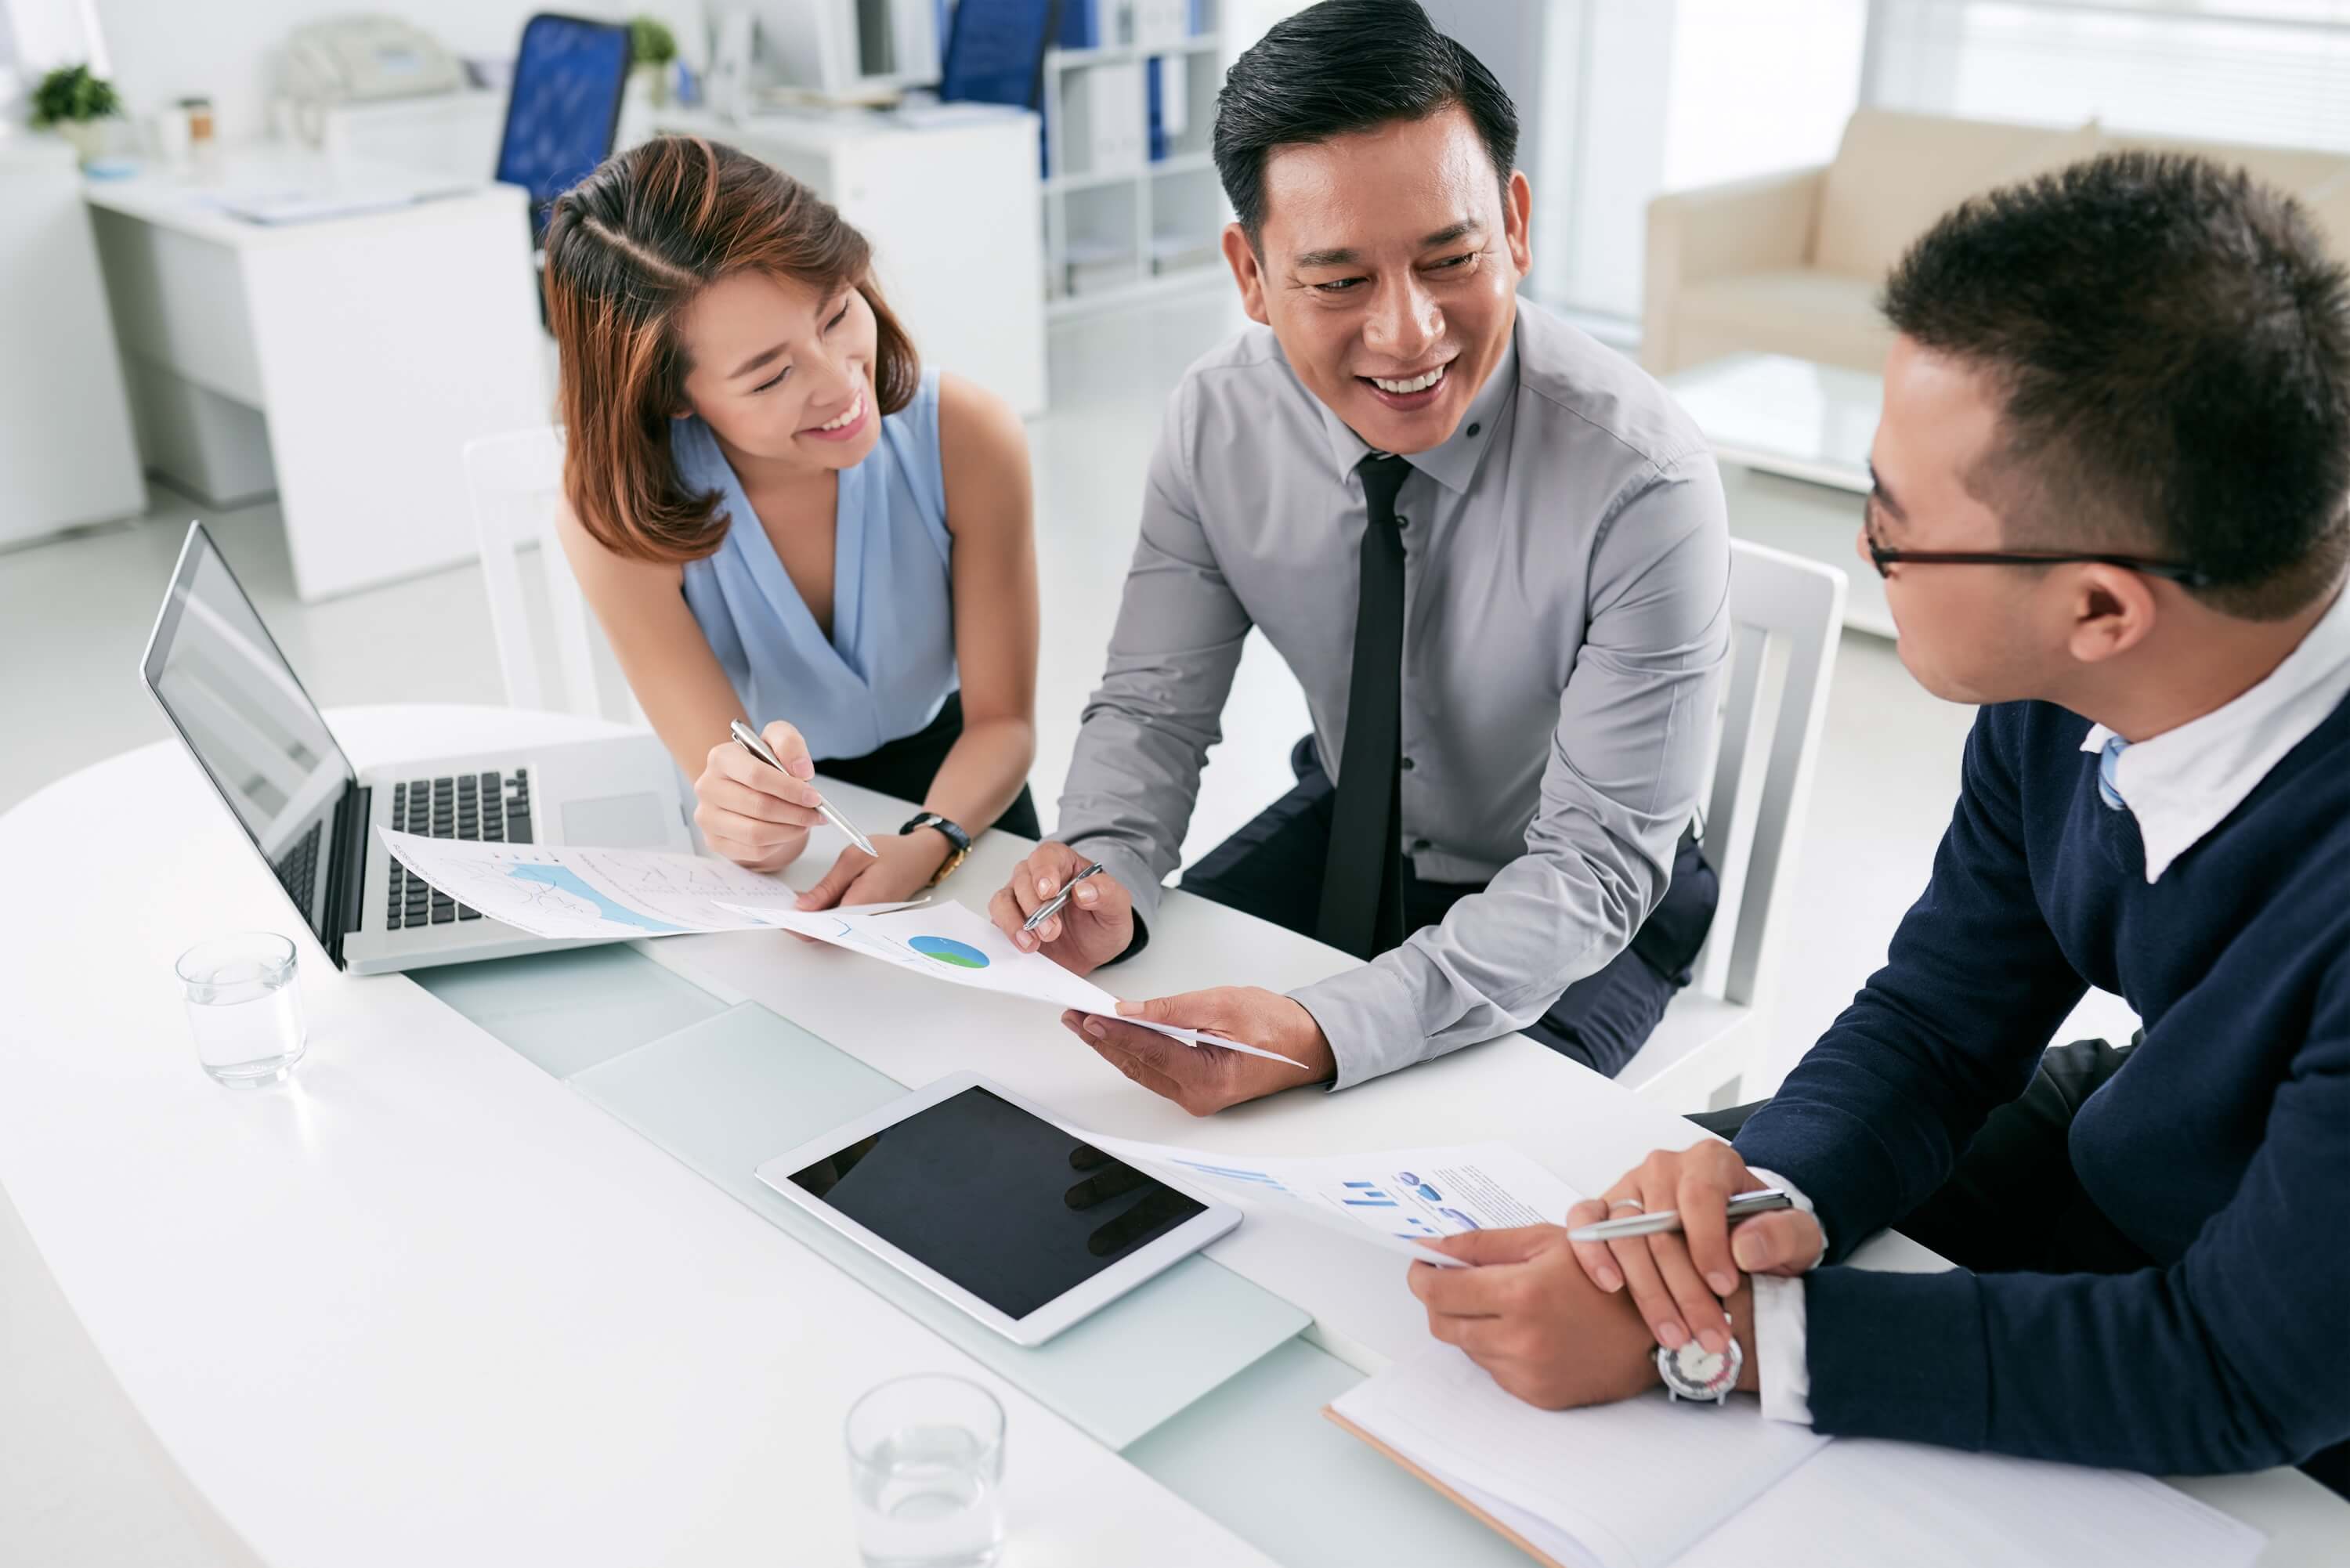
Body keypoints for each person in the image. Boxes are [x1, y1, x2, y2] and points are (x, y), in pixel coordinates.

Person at [1405, 150, 2350, 1494]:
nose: (1864, 552)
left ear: (2100, 608)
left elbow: (2243, 1372)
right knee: (1653, 1214)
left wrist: (1732, 1345)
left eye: (1895, 524)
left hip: (2287, 1364)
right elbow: (1942, 1016)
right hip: (2141, 1141)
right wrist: (1751, 1210)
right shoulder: (2068, 679)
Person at [986, 0, 1729, 1113]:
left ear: (1515, 226)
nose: (1409, 332)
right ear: (1250, 272)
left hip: (1576, 894)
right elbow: (1152, 707)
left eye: (1452, 258)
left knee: (1425, 1168)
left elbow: (1594, 870)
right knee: (1083, 1065)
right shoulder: (1217, 421)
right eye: (1338, 281)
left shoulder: (1643, 477)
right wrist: (1104, 862)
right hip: (1353, 820)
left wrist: (1326, 1029)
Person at [540, 136, 1039, 909]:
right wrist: (754, 820)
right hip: (783, 846)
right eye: (771, 373)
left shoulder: (970, 435)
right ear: (672, 396)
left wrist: (929, 841)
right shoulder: (615, 524)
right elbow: (728, 782)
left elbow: (1004, 723)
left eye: (839, 312)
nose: (840, 379)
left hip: (964, 803)